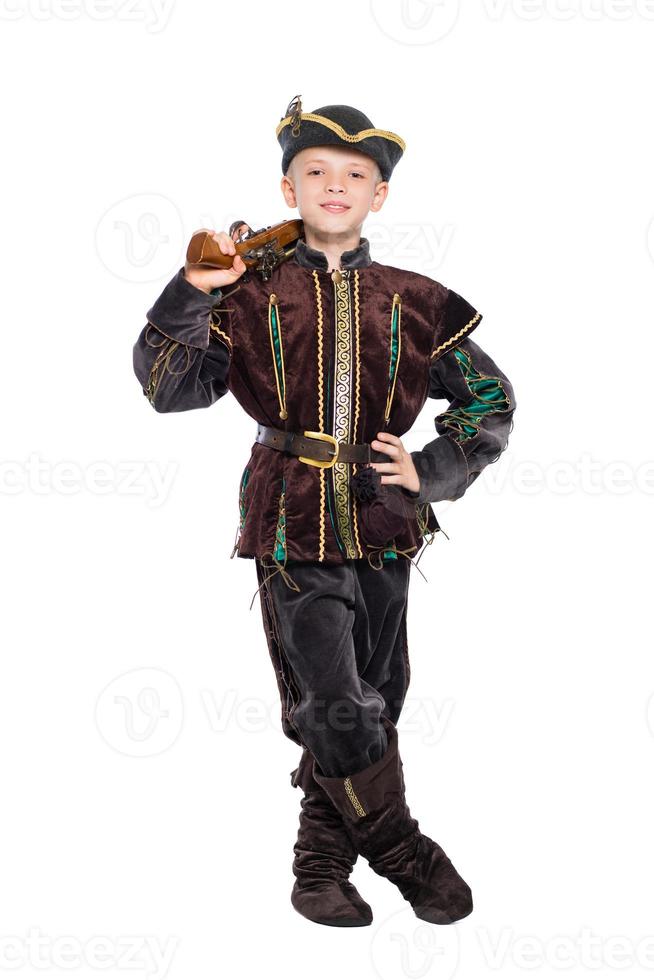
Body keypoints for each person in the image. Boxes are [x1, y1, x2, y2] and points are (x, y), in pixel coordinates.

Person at [132, 94, 517, 928]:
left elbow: (489, 400)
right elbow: (170, 389)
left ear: (379, 195)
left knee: (378, 692)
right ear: (287, 189)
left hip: (382, 520)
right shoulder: (248, 292)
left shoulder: (418, 298)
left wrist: (433, 466)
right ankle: (405, 850)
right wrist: (190, 291)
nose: (334, 185)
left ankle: (319, 865)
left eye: (354, 175)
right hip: (289, 516)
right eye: (315, 172)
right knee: (334, 699)